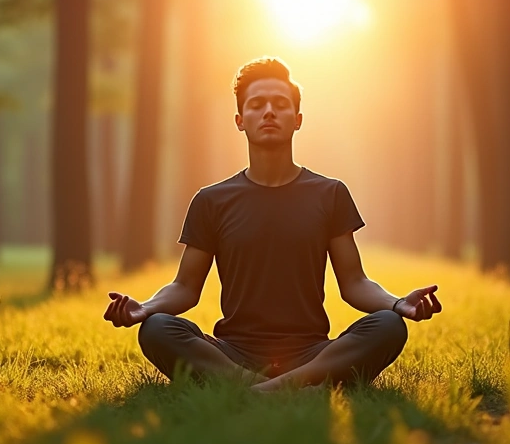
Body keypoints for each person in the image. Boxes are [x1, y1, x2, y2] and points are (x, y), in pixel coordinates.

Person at [102, 57, 442, 392]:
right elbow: (185, 288)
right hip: (234, 353)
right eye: (257, 104)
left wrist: (398, 304)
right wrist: (144, 309)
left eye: (280, 104)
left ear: (297, 120)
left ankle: (259, 390)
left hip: (310, 352)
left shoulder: (330, 193)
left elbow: (354, 283)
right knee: (157, 329)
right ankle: (281, 388)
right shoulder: (211, 200)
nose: (268, 112)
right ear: (239, 120)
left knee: (388, 326)